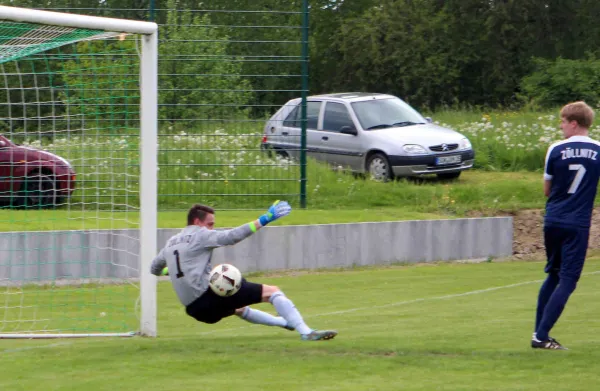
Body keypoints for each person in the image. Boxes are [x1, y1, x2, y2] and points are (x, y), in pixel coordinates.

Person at [150, 200, 337, 341]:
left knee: (239, 308)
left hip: (195, 311)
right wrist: (265, 219)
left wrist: (171, 272)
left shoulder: (170, 243)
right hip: (208, 297)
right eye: (210, 224)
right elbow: (232, 236)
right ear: (197, 222)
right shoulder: (201, 235)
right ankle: (306, 332)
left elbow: (154, 268)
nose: (212, 228)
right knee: (273, 292)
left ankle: (285, 322)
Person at [532, 101, 600, 350]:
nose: (560, 126)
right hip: (577, 223)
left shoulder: (555, 149)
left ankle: (538, 333)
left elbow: (547, 190)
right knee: (568, 280)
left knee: (554, 274)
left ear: (574, 123)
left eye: (562, 122)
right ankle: (541, 336)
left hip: (553, 220)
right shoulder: (598, 150)